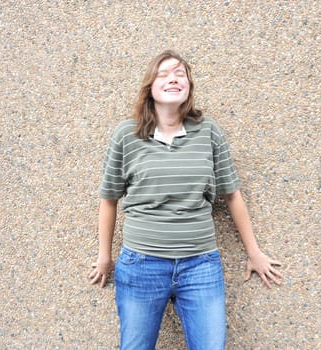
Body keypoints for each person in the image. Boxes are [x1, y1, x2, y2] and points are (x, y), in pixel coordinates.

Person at [89, 50, 283, 350]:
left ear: (189, 86)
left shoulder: (208, 131)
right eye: (164, 74)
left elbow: (232, 194)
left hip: (201, 265)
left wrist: (254, 252)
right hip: (141, 263)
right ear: (150, 87)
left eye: (180, 74)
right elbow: (109, 199)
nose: (173, 79)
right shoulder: (126, 135)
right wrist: (105, 256)